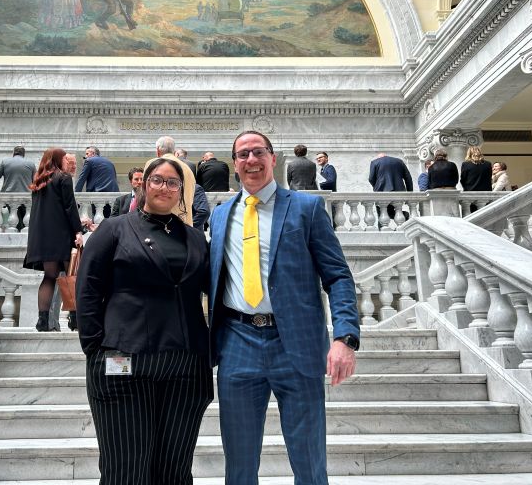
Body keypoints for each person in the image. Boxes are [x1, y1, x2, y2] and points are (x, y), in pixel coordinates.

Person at [208, 130, 359, 485]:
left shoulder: (306, 208)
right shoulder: (219, 216)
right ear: (235, 166)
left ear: (274, 159)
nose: (251, 161)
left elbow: (337, 276)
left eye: (258, 152)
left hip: (296, 345)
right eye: (242, 155)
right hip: (237, 343)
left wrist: (345, 338)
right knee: (239, 464)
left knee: (309, 461)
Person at [77, 156, 213, 484]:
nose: (164, 187)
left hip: (186, 367)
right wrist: (96, 347)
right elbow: (88, 289)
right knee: (127, 469)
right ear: (142, 184)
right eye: (157, 180)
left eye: (173, 182)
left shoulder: (196, 239)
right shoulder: (114, 229)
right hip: (124, 360)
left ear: (183, 191)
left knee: (175, 471)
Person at [24, 148, 83, 332]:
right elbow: (69, 207)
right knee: (73, 275)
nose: (67, 161)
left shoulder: (39, 181)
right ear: (58, 159)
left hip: (42, 237)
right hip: (63, 235)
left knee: (49, 277)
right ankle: (75, 319)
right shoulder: (64, 178)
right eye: (65, 158)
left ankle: (42, 321)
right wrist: (78, 231)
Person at [369, 152, 413, 222]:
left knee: (382, 213)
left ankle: (382, 230)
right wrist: (410, 193)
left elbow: (371, 179)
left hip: (381, 192)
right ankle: (404, 217)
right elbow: (408, 177)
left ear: (379, 158)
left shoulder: (375, 162)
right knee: (397, 210)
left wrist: (376, 187)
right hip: (398, 191)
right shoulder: (399, 161)